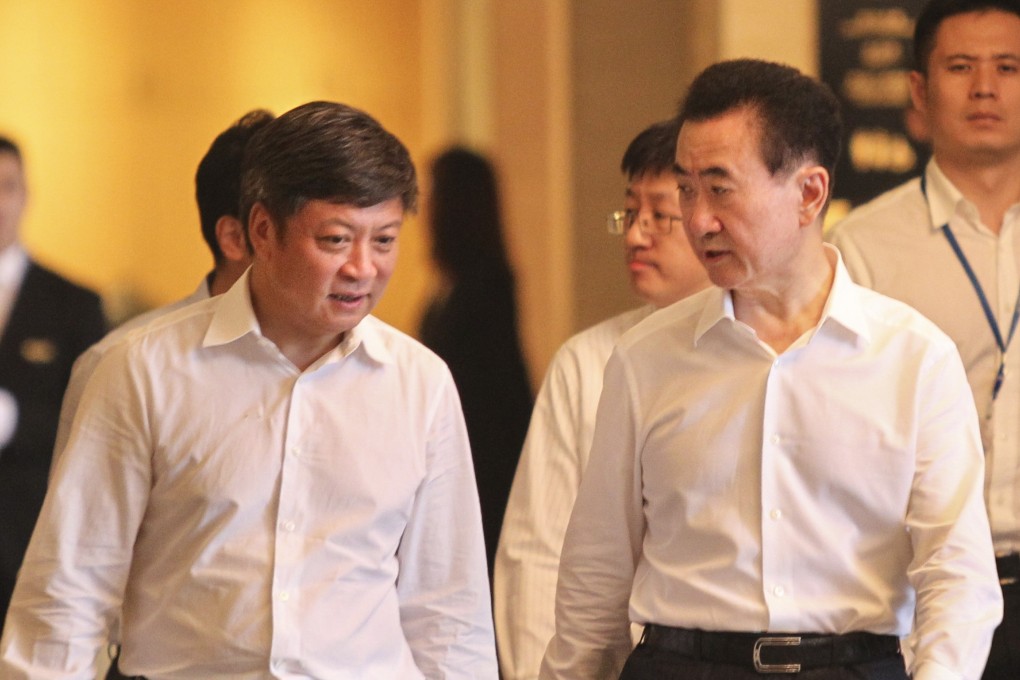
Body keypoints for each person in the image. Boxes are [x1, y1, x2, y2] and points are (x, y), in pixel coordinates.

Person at [539, 59, 1003, 680]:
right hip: (683, 663)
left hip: (850, 664)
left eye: (720, 187)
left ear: (809, 193)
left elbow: (956, 573)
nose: (698, 218)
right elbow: (596, 575)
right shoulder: (647, 358)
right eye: (686, 187)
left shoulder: (913, 359)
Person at [0, 101, 497, 679]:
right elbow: (69, 592)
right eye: (336, 240)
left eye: (384, 241)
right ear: (262, 230)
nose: (363, 268)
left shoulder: (421, 384)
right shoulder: (143, 370)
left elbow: (448, 612)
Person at [828, 2, 1020, 676]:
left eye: (1009, 67)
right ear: (918, 90)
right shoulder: (861, 249)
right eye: (961, 67)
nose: (985, 88)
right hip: (922, 596)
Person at [493, 118, 711, 680]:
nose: (637, 235)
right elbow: (538, 555)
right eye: (631, 213)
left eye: (660, 216)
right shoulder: (589, 362)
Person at [54, 108, 274, 465]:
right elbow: (86, 520)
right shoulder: (125, 366)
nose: (355, 266)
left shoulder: (375, 365)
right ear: (235, 237)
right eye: (332, 238)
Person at [0, 135, 107, 637]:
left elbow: (94, 425)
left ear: (25, 195)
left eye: (6, 187)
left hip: (30, 541)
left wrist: (12, 419)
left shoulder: (74, 305)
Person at [419, 147, 534, 575]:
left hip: (480, 467)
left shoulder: (486, 287)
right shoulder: (451, 286)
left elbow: (495, 396)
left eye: (432, 192)